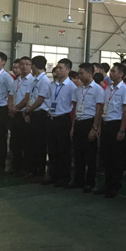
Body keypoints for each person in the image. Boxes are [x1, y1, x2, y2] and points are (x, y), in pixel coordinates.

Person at [93, 63, 126, 198]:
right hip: (106, 123)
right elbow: (103, 107)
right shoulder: (108, 88)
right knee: (106, 156)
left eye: (114, 71)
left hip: (116, 124)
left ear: (121, 74)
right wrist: (98, 126)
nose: (111, 73)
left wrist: (122, 129)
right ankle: (107, 184)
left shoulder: (125, 90)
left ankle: (115, 186)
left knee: (116, 157)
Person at [44, 58, 76, 187]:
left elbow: (74, 105)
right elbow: (48, 99)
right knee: (52, 149)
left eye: (61, 68)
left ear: (68, 70)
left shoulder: (72, 87)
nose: (57, 70)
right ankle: (53, 175)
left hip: (63, 119)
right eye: (57, 67)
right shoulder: (52, 85)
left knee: (63, 150)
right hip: (51, 118)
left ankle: (64, 177)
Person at [73, 63, 104, 193]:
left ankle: (89, 182)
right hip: (79, 121)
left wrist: (95, 127)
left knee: (90, 155)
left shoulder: (98, 89)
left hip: (89, 122)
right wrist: (73, 127)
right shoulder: (78, 89)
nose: (79, 76)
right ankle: (78, 180)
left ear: (90, 74)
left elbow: (99, 110)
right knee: (78, 153)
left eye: (81, 73)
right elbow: (75, 108)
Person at [23, 56, 52, 178]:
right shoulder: (34, 80)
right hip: (33, 112)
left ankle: (40, 171)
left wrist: (28, 110)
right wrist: (28, 112)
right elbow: (31, 97)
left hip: (40, 114)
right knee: (31, 143)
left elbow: (40, 99)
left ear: (34, 66)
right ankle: (32, 169)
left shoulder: (44, 80)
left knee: (39, 144)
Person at [8, 56, 33, 176]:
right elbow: (11, 95)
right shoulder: (16, 80)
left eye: (27, 64)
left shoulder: (32, 80)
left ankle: (26, 168)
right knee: (14, 142)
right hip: (14, 114)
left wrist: (17, 108)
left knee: (26, 143)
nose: (24, 67)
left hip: (24, 113)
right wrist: (10, 108)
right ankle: (15, 166)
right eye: (22, 64)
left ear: (31, 66)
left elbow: (27, 98)